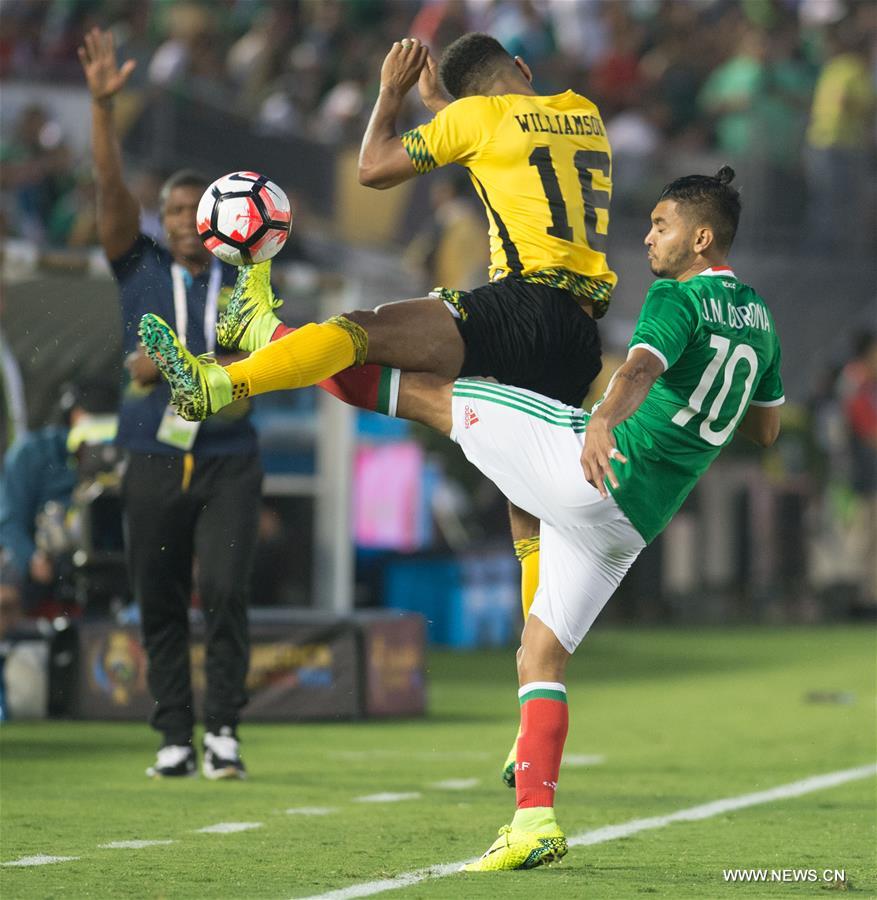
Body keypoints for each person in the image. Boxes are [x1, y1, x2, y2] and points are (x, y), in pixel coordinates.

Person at [145, 167, 783, 869]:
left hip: (589, 463)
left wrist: (603, 422)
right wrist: (697, 418)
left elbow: (635, 369)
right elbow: (765, 430)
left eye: (659, 225)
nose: (647, 236)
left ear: (699, 237)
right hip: (630, 523)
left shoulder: (675, 296)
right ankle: (533, 821)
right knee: (539, 656)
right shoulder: (759, 319)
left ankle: (230, 367)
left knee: (426, 391)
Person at [140, 31, 615, 783]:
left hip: (517, 306)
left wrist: (391, 95)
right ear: (522, 70)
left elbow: (373, 168)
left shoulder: (476, 121)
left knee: (357, 335)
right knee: (528, 524)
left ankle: (223, 380)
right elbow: (483, 128)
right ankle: (529, 726)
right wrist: (441, 102)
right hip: (577, 337)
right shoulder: (579, 111)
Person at [79, 26, 262, 780]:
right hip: (152, 452)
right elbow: (109, 194)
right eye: (177, 211)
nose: (188, 220)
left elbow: (262, 364)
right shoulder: (140, 267)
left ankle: (222, 730)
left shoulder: (250, 276)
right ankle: (174, 737)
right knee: (157, 595)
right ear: (165, 217)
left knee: (222, 590)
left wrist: (191, 365)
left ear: (221, 216)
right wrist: (101, 111)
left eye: (199, 210)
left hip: (227, 458)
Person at [0, 379, 117, 614]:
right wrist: (31, 559)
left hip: (101, 560)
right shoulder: (31, 453)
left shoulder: (119, 453)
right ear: (73, 416)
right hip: (38, 558)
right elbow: (9, 520)